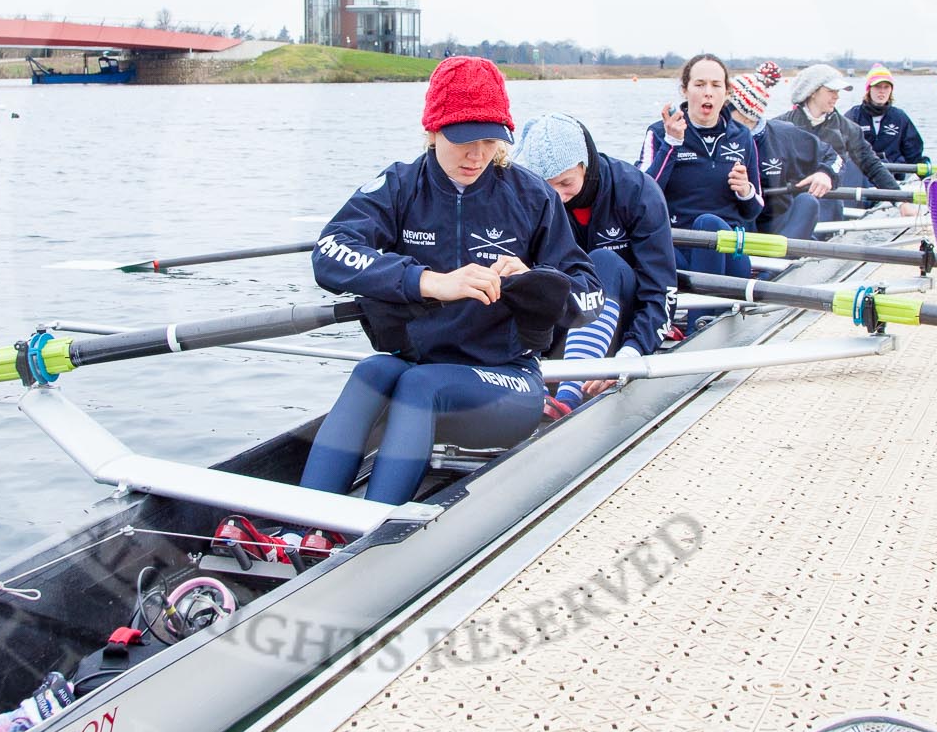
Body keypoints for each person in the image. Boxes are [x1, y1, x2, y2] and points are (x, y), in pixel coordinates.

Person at [300, 56, 601, 506]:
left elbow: (589, 297)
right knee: (372, 371)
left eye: (489, 140)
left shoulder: (531, 196)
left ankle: (370, 536)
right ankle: (300, 527)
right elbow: (329, 253)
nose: (477, 155)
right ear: (433, 130)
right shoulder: (401, 185)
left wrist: (538, 279)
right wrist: (427, 281)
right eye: (462, 140)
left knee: (422, 387)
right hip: (423, 364)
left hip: (508, 380)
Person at [513, 112, 678, 418]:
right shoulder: (534, 198)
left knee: (601, 262)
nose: (557, 198)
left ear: (585, 165)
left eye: (565, 183)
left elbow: (662, 293)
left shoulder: (638, 192)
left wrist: (630, 355)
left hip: (625, 315)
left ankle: (567, 400)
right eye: (547, 186)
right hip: (565, 317)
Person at [639, 54, 764, 279]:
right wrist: (671, 144)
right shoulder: (659, 133)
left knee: (709, 223)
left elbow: (755, 209)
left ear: (726, 93)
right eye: (699, 84)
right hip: (678, 246)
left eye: (716, 85)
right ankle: (707, 311)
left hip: (730, 251)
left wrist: (746, 191)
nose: (708, 92)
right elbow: (641, 196)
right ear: (685, 90)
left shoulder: (742, 136)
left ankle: (704, 311)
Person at [723, 64, 844, 241]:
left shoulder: (784, 135)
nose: (719, 114)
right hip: (733, 226)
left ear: (746, 114)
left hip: (775, 226)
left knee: (807, 203)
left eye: (725, 108)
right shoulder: (715, 136)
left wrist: (825, 174)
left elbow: (833, 157)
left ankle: (774, 263)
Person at [779, 63, 904, 219]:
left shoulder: (849, 129)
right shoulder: (781, 127)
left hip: (829, 206)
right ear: (812, 92)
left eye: (837, 92)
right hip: (788, 205)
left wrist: (901, 201)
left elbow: (872, 165)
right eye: (831, 91)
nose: (836, 96)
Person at [845, 64, 926, 168]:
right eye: (877, 86)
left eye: (886, 87)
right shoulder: (853, 116)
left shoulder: (900, 117)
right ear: (869, 89)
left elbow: (914, 153)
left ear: (891, 90)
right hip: (862, 173)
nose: (882, 91)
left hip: (894, 172)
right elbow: (838, 147)